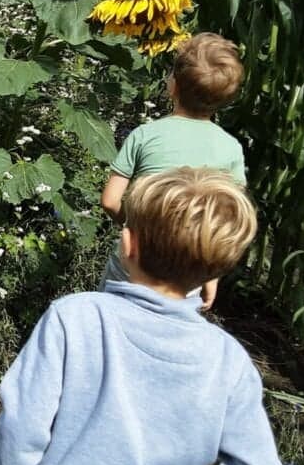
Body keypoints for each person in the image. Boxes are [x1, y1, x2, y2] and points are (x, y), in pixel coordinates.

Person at [0, 168, 283, 465]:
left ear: (128, 244)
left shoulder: (74, 317)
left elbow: (24, 420)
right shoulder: (228, 359)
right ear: (218, 269)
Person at [100, 32, 246, 308]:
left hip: (136, 254)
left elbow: (109, 200)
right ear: (224, 99)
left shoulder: (145, 135)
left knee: (110, 314)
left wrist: (139, 225)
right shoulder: (231, 149)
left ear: (173, 86)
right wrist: (211, 276)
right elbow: (225, 221)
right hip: (190, 261)